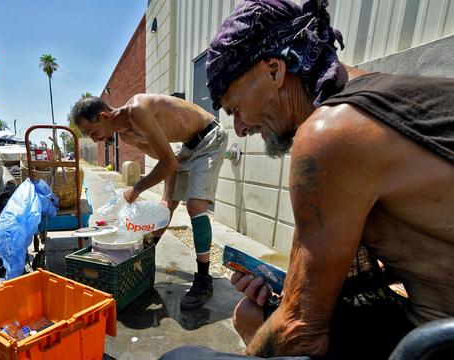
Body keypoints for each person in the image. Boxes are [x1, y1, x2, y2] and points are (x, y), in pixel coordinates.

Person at [170, 0, 454, 358]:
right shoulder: (377, 98)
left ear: (274, 70)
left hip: (433, 344)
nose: (239, 129)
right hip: (432, 328)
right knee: (251, 313)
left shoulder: (332, 132)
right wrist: (288, 288)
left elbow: (302, 329)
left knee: (183, 356)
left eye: (236, 108)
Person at [71, 94, 228, 310]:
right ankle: (145, 258)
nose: (95, 138)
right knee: (168, 207)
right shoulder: (128, 136)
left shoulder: (137, 109)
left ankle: (204, 279)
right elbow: (169, 161)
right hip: (188, 147)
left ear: (104, 116)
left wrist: (136, 189)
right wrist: (167, 199)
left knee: (195, 206)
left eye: (93, 132)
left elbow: (168, 163)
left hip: (210, 137)